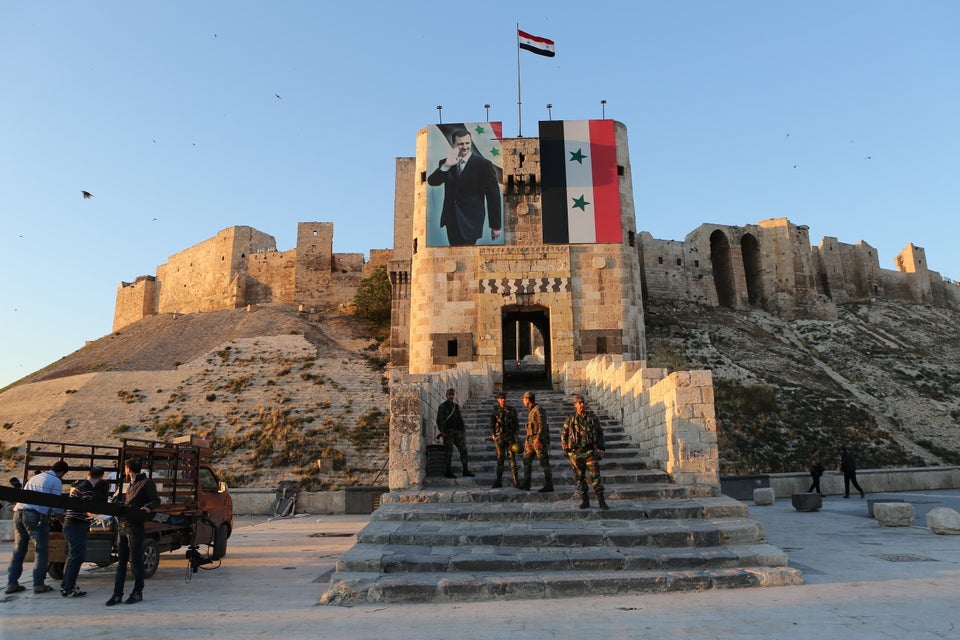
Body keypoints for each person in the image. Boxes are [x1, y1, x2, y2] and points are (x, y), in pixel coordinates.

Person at [427, 129, 502, 246]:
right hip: (451, 219)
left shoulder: (483, 165)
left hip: (472, 220)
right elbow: (432, 182)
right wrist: (446, 165)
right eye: (461, 144)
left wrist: (495, 225)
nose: (465, 147)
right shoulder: (445, 162)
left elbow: (493, 196)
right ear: (453, 144)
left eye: (467, 143)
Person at [5, 460, 69, 595]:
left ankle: (11, 584)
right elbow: (56, 505)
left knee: (18, 551)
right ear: (62, 473)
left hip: (18, 513)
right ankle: (39, 585)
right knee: (41, 551)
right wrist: (63, 521)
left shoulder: (35, 477)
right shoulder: (56, 481)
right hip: (35, 516)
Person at [106, 458, 160, 606]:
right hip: (122, 527)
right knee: (121, 563)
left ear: (128, 469)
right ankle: (117, 595)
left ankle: (137, 592)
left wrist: (147, 507)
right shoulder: (130, 485)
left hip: (135, 527)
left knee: (136, 562)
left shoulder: (146, 483)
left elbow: (156, 501)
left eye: (125, 468)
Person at [61, 465, 106, 597]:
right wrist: (100, 516)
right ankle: (69, 588)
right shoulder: (89, 490)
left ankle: (66, 586)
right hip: (77, 526)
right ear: (101, 477)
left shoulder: (80, 486)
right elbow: (88, 509)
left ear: (88, 473)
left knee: (72, 557)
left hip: (69, 524)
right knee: (77, 558)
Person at [561, 395, 609, 510]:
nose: (582, 404)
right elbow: (564, 434)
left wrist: (602, 448)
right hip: (576, 453)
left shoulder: (592, 418)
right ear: (575, 405)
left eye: (583, 402)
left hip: (590, 452)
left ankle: (601, 501)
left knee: (596, 477)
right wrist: (567, 450)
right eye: (579, 403)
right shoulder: (571, 418)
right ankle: (585, 501)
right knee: (580, 478)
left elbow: (599, 433)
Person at [436, 388, 474, 478]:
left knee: (463, 450)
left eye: (452, 395)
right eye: (449, 395)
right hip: (448, 432)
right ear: (447, 395)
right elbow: (439, 420)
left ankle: (465, 470)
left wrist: (463, 431)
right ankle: (448, 471)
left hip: (457, 432)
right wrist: (442, 431)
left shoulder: (455, 406)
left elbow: (460, 419)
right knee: (449, 452)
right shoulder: (442, 406)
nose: (451, 396)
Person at [520, 391, 553, 492]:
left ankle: (549, 485)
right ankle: (526, 484)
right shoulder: (531, 411)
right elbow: (530, 428)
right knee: (526, 459)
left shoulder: (538, 410)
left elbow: (542, 425)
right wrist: (527, 440)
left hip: (538, 441)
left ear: (528, 399)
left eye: (524, 400)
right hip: (531, 440)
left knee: (544, 462)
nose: (523, 402)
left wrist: (538, 439)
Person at [489, 391, 520, 488]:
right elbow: (492, 424)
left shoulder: (511, 410)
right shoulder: (495, 411)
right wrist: (493, 435)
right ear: (498, 400)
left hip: (510, 437)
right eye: (501, 398)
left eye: (504, 398)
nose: (503, 400)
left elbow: (516, 423)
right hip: (500, 438)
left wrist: (516, 436)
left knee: (512, 459)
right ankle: (498, 481)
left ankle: (516, 481)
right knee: (500, 459)